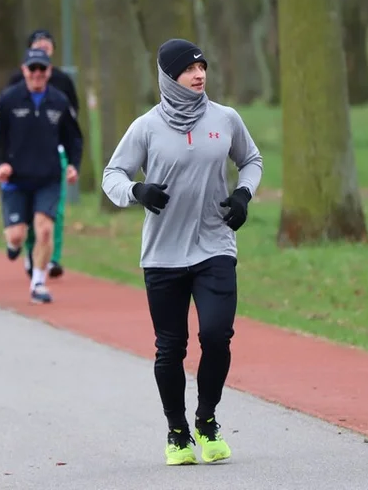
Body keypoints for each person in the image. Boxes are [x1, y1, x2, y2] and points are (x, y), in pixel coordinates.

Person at [101, 38, 263, 466]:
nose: (199, 75)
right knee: (170, 348)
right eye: (189, 69)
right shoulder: (146, 127)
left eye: (202, 67)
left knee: (216, 335)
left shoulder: (225, 118)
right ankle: (177, 431)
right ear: (169, 78)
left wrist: (244, 195)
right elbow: (112, 174)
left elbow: (252, 160)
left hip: (215, 247)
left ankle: (207, 421)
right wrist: (137, 189)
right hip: (163, 255)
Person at [0, 47, 82, 304]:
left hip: (48, 178)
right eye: (32, 69)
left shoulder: (59, 102)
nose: (37, 74)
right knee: (16, 235)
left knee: (45, 231)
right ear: (24, 70)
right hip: (15, 180)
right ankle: (17, 246)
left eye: (42, 69)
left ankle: (38, 284)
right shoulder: (8, 100)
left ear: (49, 71)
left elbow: (74, 138)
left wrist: (73, 165)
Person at [7, 29, 79, 279]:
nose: (43, 48)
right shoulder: (16, 82)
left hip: (53, 153)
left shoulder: (63, 83)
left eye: (47, 44)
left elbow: (73, 121)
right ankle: (28, 251)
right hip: (22, 157)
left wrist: (71, 158)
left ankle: (52, 259)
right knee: (28, 213)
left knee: (53, 212)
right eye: (38, 44)